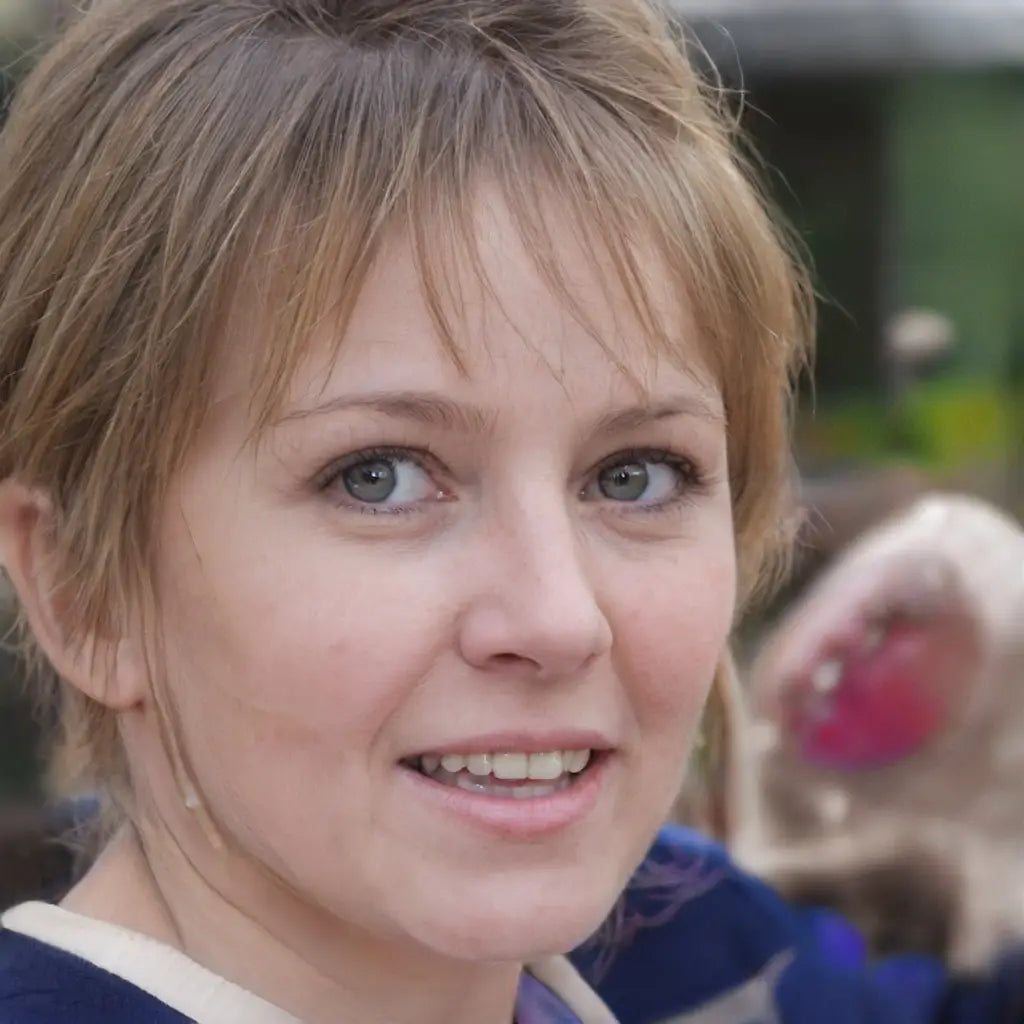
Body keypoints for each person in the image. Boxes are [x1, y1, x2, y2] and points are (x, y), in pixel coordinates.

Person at [0, 1, 810, 1021]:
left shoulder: (716, 965)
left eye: (634, 474)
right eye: (377, 475)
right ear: (83, 587)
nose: (558, 617)